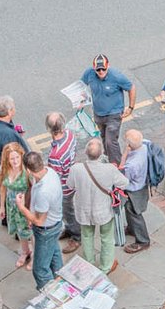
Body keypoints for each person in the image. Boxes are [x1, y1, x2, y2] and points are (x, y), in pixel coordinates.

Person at [67, 138, 128, 275]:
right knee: (106, 238)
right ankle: (106, 266)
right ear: (101, 154)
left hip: (83, 210)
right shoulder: (109, 169)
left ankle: (88, 263)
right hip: (103, 211)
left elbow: (70, 185)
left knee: (87, 236)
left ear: (86, 152)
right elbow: (124, 183)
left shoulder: (76, 169)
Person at [16, 151, 65, 290]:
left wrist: (21, 207)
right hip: (55, 225)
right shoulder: (49, 171)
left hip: (46, 230)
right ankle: (61, 284)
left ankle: (51, 297)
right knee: (54, 257)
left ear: (28, 170)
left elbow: (39, 221)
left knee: (40, 270)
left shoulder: (45, 191)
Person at [80, 54, 136, 166]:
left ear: (108, 66)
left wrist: (130, 107)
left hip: (114, 114)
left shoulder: (116, 76)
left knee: (111, 142)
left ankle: (118, 166)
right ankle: (108, 158)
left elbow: (131, 88)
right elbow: (81, 86)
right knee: (104, 138)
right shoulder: (89, 73)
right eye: (98, 69)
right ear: (93, 68)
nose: (101, 72)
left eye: (103, 69)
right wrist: (81, 99)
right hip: (98, 114)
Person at [44, 111, 81, 254]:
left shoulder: (55, 155)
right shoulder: (70, 135)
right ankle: (70, 229)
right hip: (72, 178)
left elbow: (55, 176)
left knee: (68, 212)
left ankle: (76, 236)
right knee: (70, 210)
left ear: (49, 129)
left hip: (64, 187)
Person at [0, 143, 32, 269]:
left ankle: (34, 256)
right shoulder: (4, 169)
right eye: (12, 158)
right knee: (19, 231)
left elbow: (33, 190)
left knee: (30, 232)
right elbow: (2, 187)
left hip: (25, 206)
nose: (15, 161)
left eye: (17, 157)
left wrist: (30, 213)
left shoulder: (27, 170)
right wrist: (2, 207)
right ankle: (25, 252)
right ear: (7, 159)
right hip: (12, 206)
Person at [120, 129, 152, 251]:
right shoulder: (145, 145)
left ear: (129, 145)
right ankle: (132, 228)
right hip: (142, 183)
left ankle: (143, 240)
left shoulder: (132, 165)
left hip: (134, 189)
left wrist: (124, 155)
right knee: (129, 210)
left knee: (134, 212)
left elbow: (122, 177)